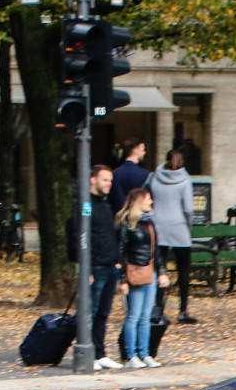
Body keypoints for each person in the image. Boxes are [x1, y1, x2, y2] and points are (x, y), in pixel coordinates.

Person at [65, 164, 124, 370]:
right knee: (92, 310)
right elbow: (80, 236)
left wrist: (116, 261)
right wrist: (86, 267)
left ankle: (100, 352)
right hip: (96, 265)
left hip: (109, 264)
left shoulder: (105, 205)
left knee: (103, 312)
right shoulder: (85, 205)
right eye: (105, 180)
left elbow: (108, 235)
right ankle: (89, 350)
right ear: (93, 180)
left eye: (110, 180)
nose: (109, 184)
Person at [117, 187, 169, 368]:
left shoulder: (149, 223)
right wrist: (122, 279)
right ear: (139, 202)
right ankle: (131, 355)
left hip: (150, 271)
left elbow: (157, 250)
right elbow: (121, 252)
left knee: (146, 316)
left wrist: (161, 272)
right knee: (134, 315)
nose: (151, 202)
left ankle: (145, 353)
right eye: (148, 199)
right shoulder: (126, 224)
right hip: (135, 272)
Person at [148, 149, 197, 323]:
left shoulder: (154, 176)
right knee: (184, 269)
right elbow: (189, 208)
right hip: (179, 227)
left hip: (158, 226)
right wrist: (189, 224)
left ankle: (158, 309)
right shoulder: (185, 180)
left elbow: (148, 196)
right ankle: (183, 311)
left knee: (159, 269)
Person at [111, 139, 150, 213]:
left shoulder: (114, 174)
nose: (144, 152)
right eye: (142, 150)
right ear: (135, 150)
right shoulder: (145, 174)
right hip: (137, 216)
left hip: (118, 217)